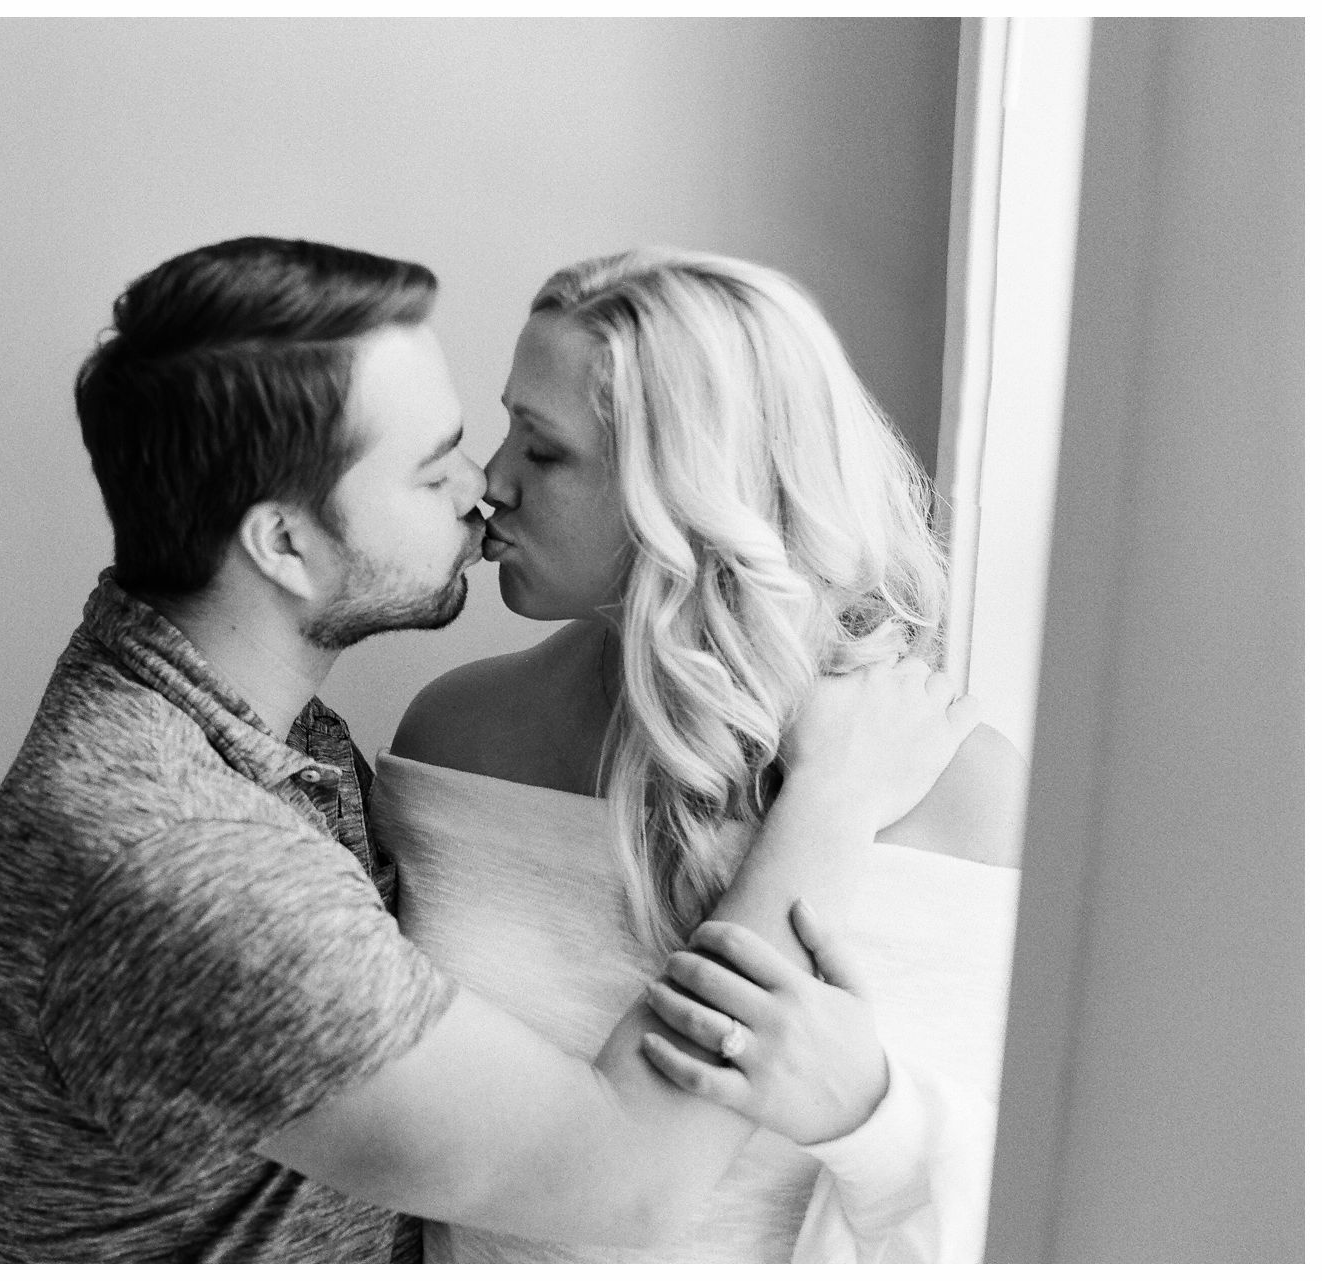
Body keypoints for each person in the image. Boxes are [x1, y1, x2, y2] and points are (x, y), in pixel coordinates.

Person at [0, 237, 980, 1263]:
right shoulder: (182, 857)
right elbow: (621, 1188)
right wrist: (825, 809)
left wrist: (877, 1120)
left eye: (517, 443)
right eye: (430, 463)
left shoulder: (250, 735)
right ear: (284, 544)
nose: (477, 486)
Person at [375, 247, 1027, 1262]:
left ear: (689, 486)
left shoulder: (974, 803)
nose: (487, 483)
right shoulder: (456, 740)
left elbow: (1066, 1211)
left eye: (541, 452)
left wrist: (874, 1113)